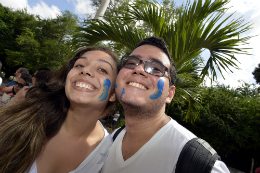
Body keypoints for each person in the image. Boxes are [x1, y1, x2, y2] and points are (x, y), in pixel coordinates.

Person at [101, 36, 230, 173]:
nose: (138, 69)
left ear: (169, 94)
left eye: (156, 68)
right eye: (131, 63)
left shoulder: (200, 164)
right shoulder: (111, 140)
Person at [0, 46, 120, 173]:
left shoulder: (107, 156)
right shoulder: (27, 117)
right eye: (79, 65)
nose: (85, 70)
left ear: (113, 94)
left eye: (102, 69)